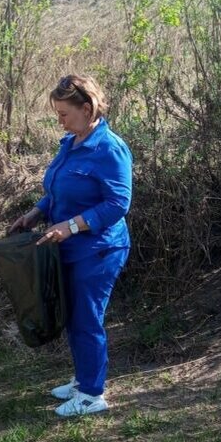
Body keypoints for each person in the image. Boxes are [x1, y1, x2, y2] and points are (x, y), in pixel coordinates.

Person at [9, 74, 132, 417]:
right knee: (73, 315)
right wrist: (35, 213)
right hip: (68, 247)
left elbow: (118, 204)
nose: (59, 121)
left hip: (99, 250)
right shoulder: (71, 142)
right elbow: (58, 190)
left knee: (86, 318)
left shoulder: (110, 149)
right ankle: (83, 380)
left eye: (64, 113)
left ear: (88, 108)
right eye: (58, 114)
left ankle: (93, 395)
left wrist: (73, 226)